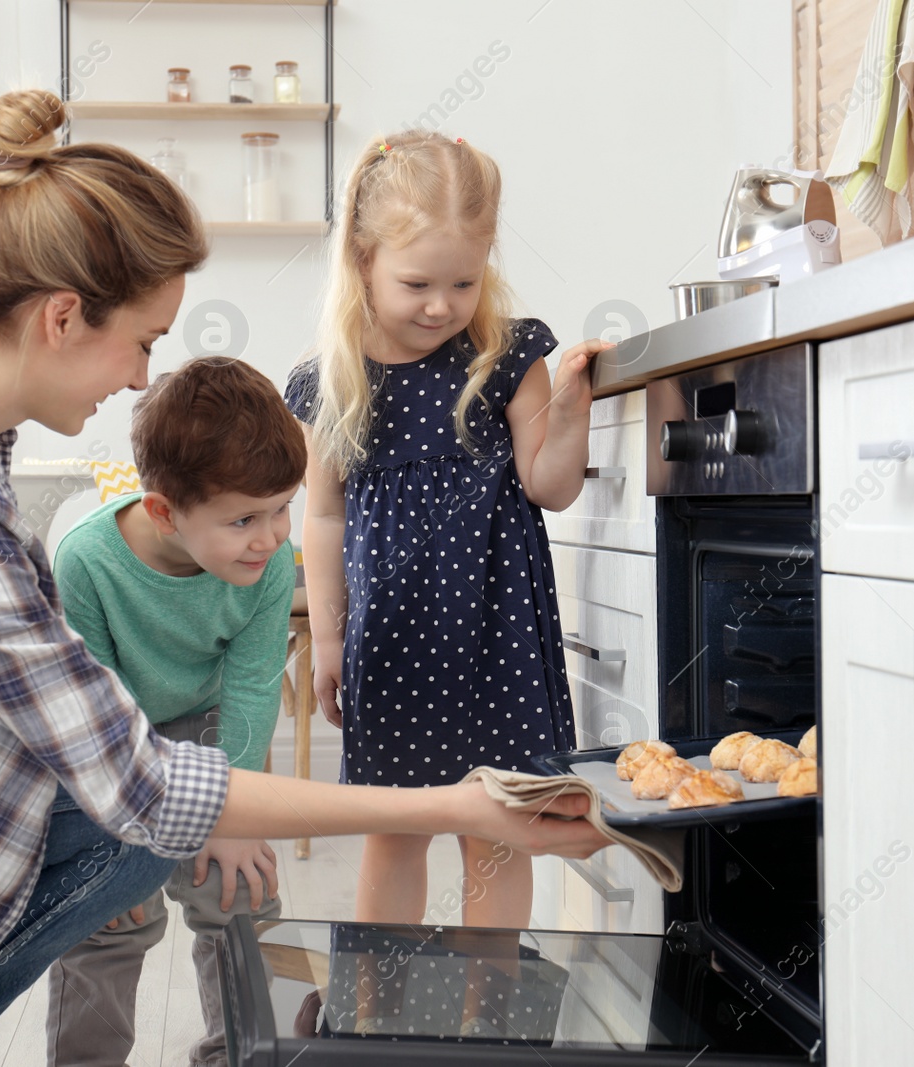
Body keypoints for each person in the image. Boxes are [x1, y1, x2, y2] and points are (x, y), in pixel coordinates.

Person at [0, 91, 610, 1067]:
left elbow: (116, 764)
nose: (141, 377)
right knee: (149, 796)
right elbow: (134, 779)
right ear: (61, 317)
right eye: (142, 341)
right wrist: (451, 808)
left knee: (147, 815)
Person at [287, 130, 613, 935]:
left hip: (499, 638)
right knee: (396, 830)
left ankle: (494, 1019)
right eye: (417, 282)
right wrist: (329, 642)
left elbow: (551, 486)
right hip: (394, 638)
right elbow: (322, 517)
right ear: (361, 259)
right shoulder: (333, 378)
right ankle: (376, 1018)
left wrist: (569, 412)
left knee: (499, 834)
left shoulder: (507, 354)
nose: (441, 304)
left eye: (464, 281)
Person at [45, 357, 298, 1067]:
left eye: (283, 507)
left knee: (239, 892)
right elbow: (89, 717)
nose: (272, 534)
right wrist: (111, 842)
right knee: (107, 918)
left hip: (211, 726)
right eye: (246, 517)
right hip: (111, 746)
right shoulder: (86, 562)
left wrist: (233, 816)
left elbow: (252, 684)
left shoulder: (269, 561)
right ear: (163, 511)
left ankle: (242, 1055)